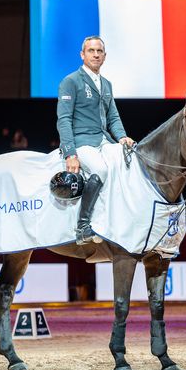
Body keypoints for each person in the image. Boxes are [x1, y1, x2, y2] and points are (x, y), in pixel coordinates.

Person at [57, 36, 134, 245]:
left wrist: (122, 137)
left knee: (127, 164)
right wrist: (70, 153)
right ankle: (82, 226)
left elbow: (113, 118)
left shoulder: (106, 84)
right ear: (83, 55)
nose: (96, 54)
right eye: (91, 51)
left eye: (99, 51)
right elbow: (63, 120)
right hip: (82, 142)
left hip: (104, 140)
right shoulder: (71, 81)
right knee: (100, 169)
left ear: (105, 56)